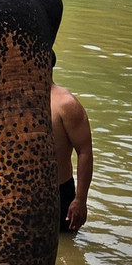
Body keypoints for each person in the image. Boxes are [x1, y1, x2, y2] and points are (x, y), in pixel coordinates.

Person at [50, 78, 93, 232]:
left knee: (65, 242)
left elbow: (84, 152)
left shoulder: (65, 103)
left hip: (59, 193)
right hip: (22, 195)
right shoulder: (16, 99)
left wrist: (80, 200)